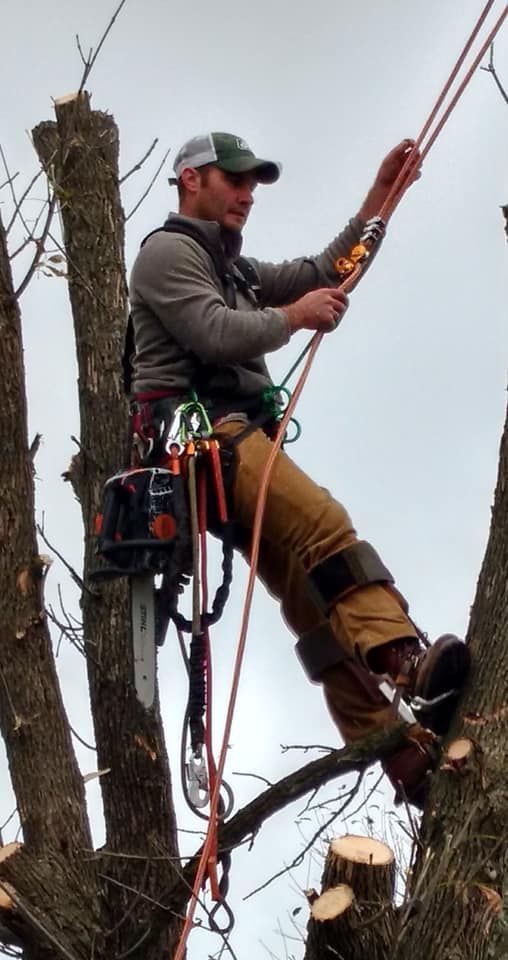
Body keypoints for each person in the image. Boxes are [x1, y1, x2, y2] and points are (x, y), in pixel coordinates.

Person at [128, 132, 469, 807]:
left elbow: (326, 271)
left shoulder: (237, 271)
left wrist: (383, 200)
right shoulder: (168, 254)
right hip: (204, 440)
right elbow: (217, 332)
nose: (247, 195)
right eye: (234, 181)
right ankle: (403, 661)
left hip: (228, 445)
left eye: (253, 184)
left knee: (312, 602)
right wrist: (294, 318)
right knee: (322, 525)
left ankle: (398, 753)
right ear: (191, 180)